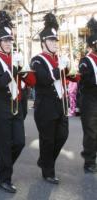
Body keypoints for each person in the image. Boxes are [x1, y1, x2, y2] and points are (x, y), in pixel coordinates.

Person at [0, 11, 36, 193]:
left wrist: (23, 69)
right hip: (1, 104)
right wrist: (12, 68)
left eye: (10, 40)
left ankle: (4, 168)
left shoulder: (16, 56)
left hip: (18, 103)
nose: (9, 43)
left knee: (20, 142)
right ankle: (4, 178)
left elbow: (31, 82)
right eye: (5, 40)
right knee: (4, 144)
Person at [30, 13, 79, 184]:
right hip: (45, 106)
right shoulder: (37, 60)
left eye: (55, 41)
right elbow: (43, 79)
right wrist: (61, 69)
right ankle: (48, 172)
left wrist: (72, 71)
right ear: (43, 43)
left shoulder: (59, 59)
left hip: (60, 104)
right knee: (48, 140)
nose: (55, 44)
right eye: (51, 41)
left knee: (62, 135)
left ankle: (44, 160)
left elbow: (69, 77)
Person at [79, 17, 97, 173]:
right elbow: (86, 79)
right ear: (93, 45)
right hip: (90, 99)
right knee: (91, 132)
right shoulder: (86, 60)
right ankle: (89, 160)